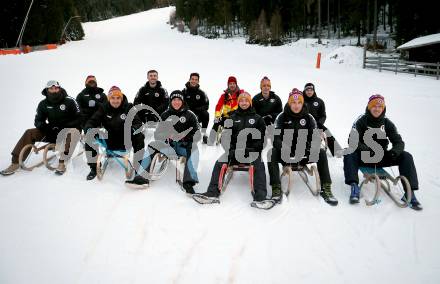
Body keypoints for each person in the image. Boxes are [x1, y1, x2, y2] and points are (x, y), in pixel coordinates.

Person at [343, 94, 422, 210]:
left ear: (383, 108)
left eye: (380, 106)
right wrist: (367, 149)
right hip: (364, 156)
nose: (377, 109)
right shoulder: (361, 121)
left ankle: (410, 193)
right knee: (348, 152)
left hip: (382, 157)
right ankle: (354, 186)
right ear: (369, 107)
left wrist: (394, 152)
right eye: (374, 106)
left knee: (406, 156)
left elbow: (399, 142)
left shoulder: (387, 123)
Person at [193, 92, 270, 207]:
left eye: (246, 101)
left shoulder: (258, 119)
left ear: (250, 102)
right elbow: (225, 137)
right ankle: (212, 193)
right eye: (241, 101)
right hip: (234, 151)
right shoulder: (232, 118)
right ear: (238, 102)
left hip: (252, 152)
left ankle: (260, 196)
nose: (244, 103)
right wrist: (230, 150)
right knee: (220, 162)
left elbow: (262, 139)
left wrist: (254, 149)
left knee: (259, 164)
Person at [268, 88, 338, 206]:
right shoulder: (281, 116)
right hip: (286, 153)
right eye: (293, 103)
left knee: (321, 153)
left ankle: (326, 188)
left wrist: (308, 148)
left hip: (303, 152)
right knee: (272, 153)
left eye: (299, 102)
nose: (296, 105)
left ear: (302, 103)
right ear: (289, 103)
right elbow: (275, 138)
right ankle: (276, 188)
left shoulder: (309, 117)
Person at [0, 80, 81, 176]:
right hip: (53, 131)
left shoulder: (69, 100)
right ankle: (15, 162)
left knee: (70, 132)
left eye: (56, 88)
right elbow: (38, 120)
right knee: (29, 132)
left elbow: (80, 117)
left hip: (70, 130)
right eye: (52, 88)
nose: (54, 90)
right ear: (47, 90)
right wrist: (47, 128)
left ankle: (62, 162)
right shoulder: (43, 104)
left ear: (59, 88)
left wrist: (66, 126)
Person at [134, 90, 200, 193]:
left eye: (179, 100)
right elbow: (157, 134)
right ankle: (141, 176)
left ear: (182, 101)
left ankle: (189, 182)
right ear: (171, 101)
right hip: (169, 147)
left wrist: (184, 137)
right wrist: (167, 136)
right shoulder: (165, 115)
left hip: (184, 147)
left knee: (194, 149)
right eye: (174, 100)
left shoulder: (190, 115)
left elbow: (197, 134)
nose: (176, 102)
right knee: (152, 145)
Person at [84, 86, 147, 183]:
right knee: (89, 135)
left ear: (121, 98)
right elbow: (92, 121)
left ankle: (139, 169)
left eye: (118, 98)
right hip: (109, 139)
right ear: (109, 99)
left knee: (139, 136)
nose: (115, 101)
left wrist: (133, 129)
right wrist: (88, 128)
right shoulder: (103, 108)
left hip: (125, 139)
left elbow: (138, 123)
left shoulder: (128, 107)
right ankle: (93, 168)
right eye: (113, 98)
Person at [303, 83, 340, 156]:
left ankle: (337, 151)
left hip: (317, 124)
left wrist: (319, 123)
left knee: (327, 132)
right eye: (307, 90)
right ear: (304, 91)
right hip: (303, 123)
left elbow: (323, 115)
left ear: (314, 91)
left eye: (311, 90)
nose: (309, 92)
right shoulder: (301, 101)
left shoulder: (319, 101)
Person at [182, 72, 209, 143]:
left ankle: (203, 133)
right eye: (192, 79)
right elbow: (179, 104)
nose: (194, 81)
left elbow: (206, 105)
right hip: (186, 114)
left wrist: (197, 110)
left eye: (196, 79)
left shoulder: (202, 93)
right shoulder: (184, 92)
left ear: (198, 81)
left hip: (198, 114)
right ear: (189, 80)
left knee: (206, 114)